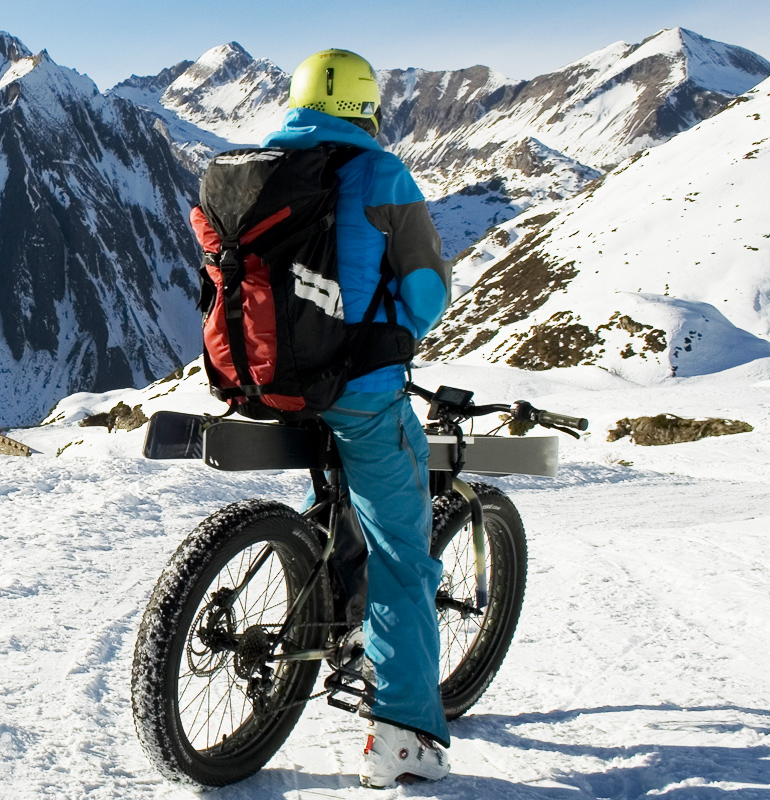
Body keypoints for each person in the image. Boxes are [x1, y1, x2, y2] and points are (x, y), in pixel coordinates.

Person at [262, 49, 453, 788]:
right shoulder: (384, 175)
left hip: (268, 382)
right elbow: (428, 292)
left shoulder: (259, 168)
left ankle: (328, 607)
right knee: (403, 555)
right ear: (367, 106)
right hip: (360, 393)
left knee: (339, 501)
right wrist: (393, 330)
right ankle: (403, 736)